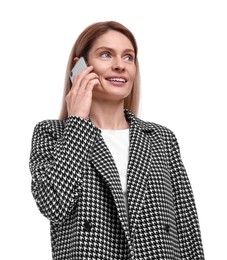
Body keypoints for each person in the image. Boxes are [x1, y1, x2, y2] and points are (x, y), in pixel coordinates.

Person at [29, 21, 205, 260]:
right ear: (79, 67)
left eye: (128, 57)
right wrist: (77, 122)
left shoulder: (161, 138)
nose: (120, 66)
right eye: (105, 54)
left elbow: (187, 229)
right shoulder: (53, 134)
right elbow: (53, 205)